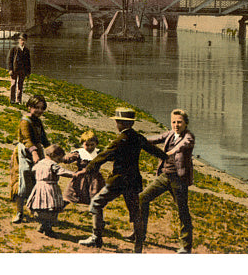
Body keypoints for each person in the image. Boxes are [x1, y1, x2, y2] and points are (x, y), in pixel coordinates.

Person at [78, 107, 167, 252]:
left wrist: (87, 169)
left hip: (118, 181)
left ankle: (96, 238)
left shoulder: (120, 140)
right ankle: (138, 245)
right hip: (133, 181)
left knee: (96, 203)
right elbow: (153, 149)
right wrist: (166, 158)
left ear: (120, 123)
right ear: (131, 123)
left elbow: (103, 156)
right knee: (135, 212)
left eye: (117, 121)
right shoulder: (138, 137)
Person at [139, 108, 195, 254]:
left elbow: (184, 145)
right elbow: (155, 138)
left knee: (182, 211)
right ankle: (140, 234)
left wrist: (172, 151)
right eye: (174, 122)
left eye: (179, 122)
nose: (176, 125)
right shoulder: (170, 134)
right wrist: (138, 139)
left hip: (179, 180)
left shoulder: (189, 137)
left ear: (186, 123)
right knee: (142, 199)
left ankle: (185, 246)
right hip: (164, 177)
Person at [9, 94, 50, 224]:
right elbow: (27, 139)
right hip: (25, 152)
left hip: (37, 150)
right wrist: (34, 154)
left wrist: (51, 150)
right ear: (29, 107)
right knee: (23, 180)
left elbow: (43, 139)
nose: (39, 111)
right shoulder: (25, 121)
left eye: (41, 108)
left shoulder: (38, 121)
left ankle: (34, 209)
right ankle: (19, 212)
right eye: (36, 107)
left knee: (37, 180)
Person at [27, 144, 75, 237]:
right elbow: (62, 172)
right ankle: (48, 228)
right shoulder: (53, 165)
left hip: (39, 187)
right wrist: (74, 174)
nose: (59, 160)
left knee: (41, 207)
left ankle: (42, 225)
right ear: (54, 156)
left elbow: (33, 170)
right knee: (51, 208)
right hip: (50, 188)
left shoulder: (39, 163)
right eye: (59, 158)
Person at [62, 130, 105, 206]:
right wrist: (68, 157)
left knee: (94, 196)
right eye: (87, 145)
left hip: (94, 178)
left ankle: (93, 213)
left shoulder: (98, 153)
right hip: (80, 177)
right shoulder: (79, 152)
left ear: (96, 144)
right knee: (71, 194)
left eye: (92, 145)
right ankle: (60, 208)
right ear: (82, 144)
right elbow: (66, 160)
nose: (89, 147)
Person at [7, 33, 32, 104]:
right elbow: (10, 60)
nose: (22, 42)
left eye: (24, 40)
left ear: (26, 41)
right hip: (14, 70)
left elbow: (28, 62)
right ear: (18, 40)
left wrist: (28, 72)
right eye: (21, 40)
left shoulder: (27, 50)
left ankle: (18, 100)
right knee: (13, 84)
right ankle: (12, 99)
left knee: (20, 86)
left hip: (22, 70)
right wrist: (10, 69)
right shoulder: (14, 49)